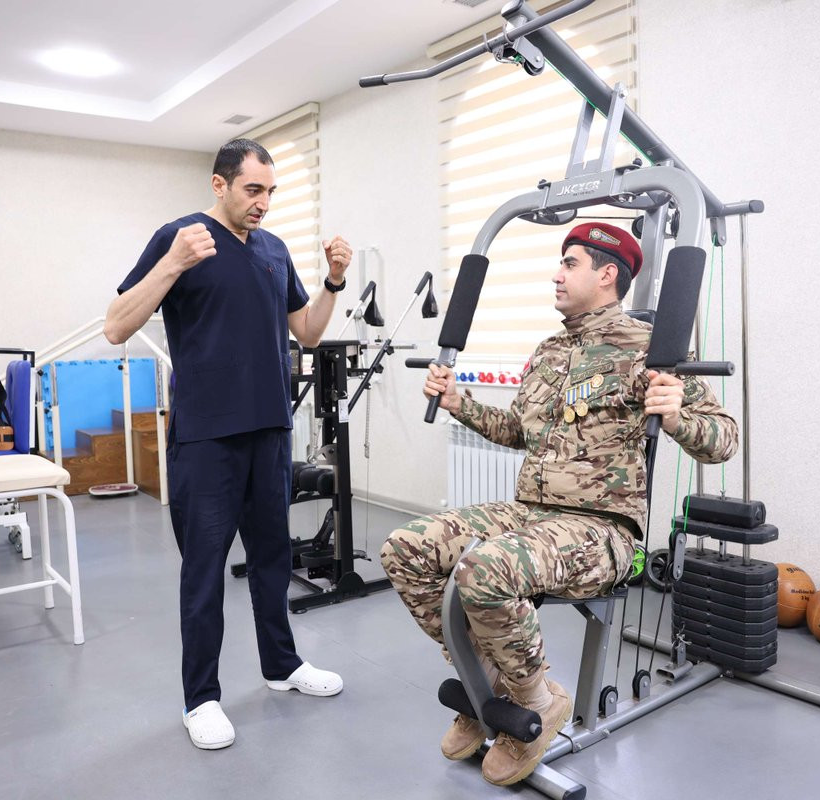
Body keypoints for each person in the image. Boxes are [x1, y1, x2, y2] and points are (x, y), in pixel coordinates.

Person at [380, 223, 739, 786]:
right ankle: (488, 684)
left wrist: (675, 418)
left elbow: (724, 440)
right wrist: (457, 402)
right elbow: (516, 431)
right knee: (405, 547)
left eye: (569, 264)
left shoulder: (652, 350)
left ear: (607, 274)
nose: (556, 274)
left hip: (601, 528)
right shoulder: (549, 351)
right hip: (531, 512)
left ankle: (536, 701)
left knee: (483, 569)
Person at [105, 139, 353, 751]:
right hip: (206, 438)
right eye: (252, 190)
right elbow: (116, 326)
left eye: (270, 192)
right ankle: (201, 698)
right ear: (219, 185)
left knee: (272, 560)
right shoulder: (179, 237)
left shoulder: (272, 250)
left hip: (269, 431)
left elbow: (307, 332)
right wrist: (172, 264)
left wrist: (333, 282)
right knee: (204, 572)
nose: (263, 203)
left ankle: (282, 665)